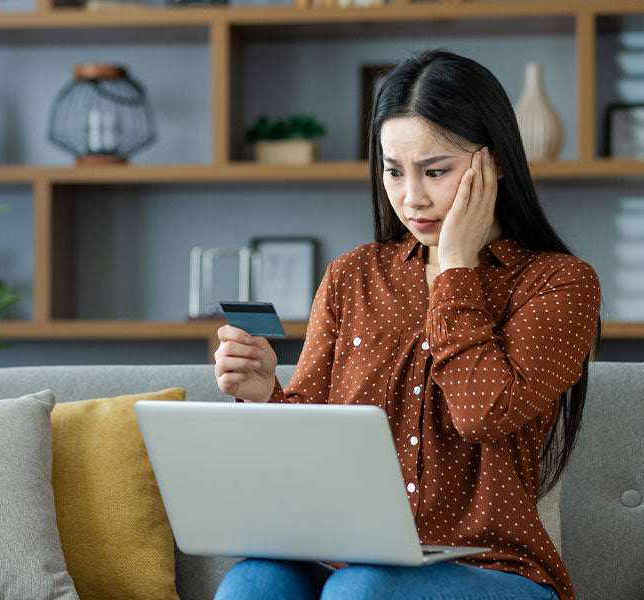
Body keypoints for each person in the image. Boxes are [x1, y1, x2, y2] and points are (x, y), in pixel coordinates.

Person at [212, 49, 600, 600]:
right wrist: (263, 395)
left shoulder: (558, 282)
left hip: (494, 570)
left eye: (435, 171)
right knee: (253, 582)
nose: (411, 198)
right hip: (348, 558)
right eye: (394, 170)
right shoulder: (352, 275)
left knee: (363, 589)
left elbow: (482, 414)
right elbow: (311, 445)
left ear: (496, 163)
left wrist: (456, 268)